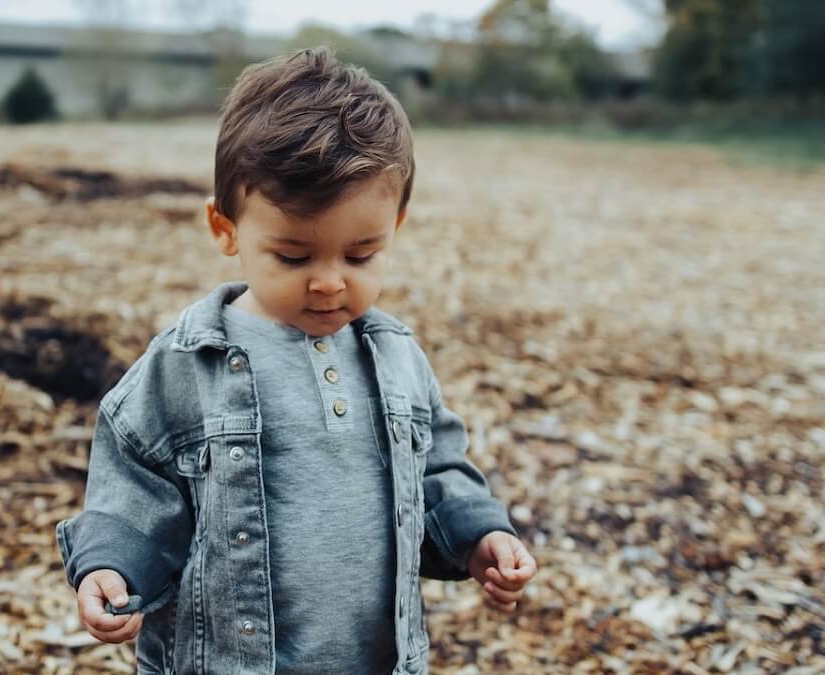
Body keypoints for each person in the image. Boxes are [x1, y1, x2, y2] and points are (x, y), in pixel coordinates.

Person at [56, 46, 537, 675]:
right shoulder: (186, 365)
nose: (330, 283)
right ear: (225, 229)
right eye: (293, 257)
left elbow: (437, 468)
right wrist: (111, 568)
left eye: (361, 256)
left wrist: (480, 536)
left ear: (397, 225)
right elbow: (133, 486)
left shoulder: (396, 358)